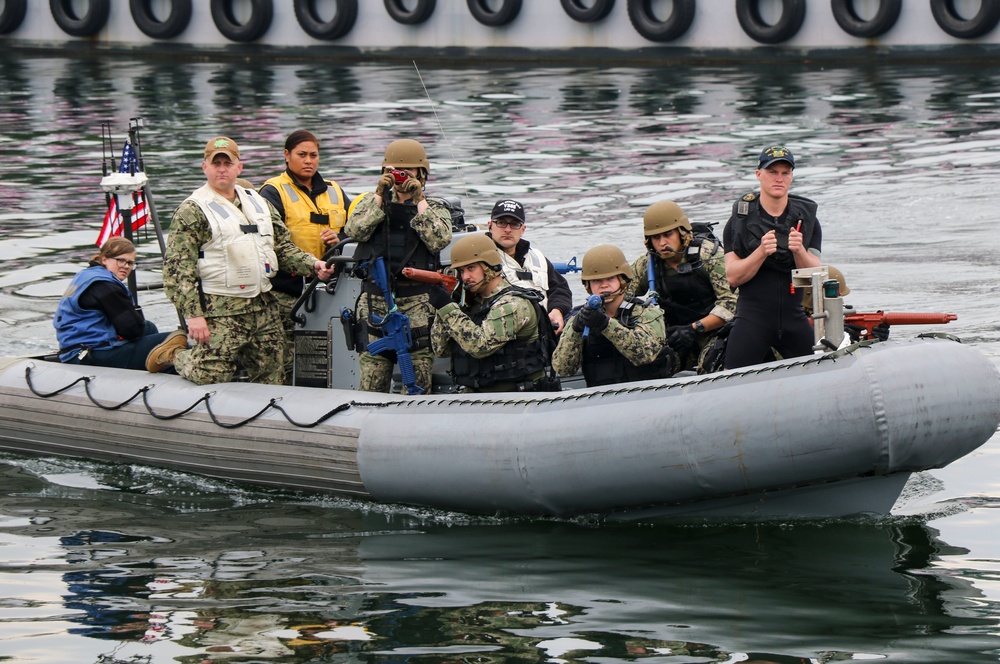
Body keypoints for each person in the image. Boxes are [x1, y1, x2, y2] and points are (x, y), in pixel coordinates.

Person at [160, 136, 334, 385]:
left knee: (274, 375)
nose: (222, 169)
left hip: (263, 305)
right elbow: (178, 271)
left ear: (238, 167)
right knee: (210, 375)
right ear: (205, 167)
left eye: (228, 163)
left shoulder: (259, 203)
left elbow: (282, 247)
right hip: (221, 309)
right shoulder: (193, 210)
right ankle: (174, 354)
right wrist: (194, 316)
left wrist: (313, 264)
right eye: (216, 163)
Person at [345, 138, 452, 394]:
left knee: (417, 383)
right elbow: (355, 230)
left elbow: (439, 238)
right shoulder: (372, 203)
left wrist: (418, 200)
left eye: (407, 172)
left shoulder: (433, 207)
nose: (400, 177)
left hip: (416, 305)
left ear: (421, 174)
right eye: (393, 171)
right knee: (371, 384)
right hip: (375, 304)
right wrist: (379, 195)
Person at [258, 129, 352, 384]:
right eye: (302, 155)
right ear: (287, 156)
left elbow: (358, 230)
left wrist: (340, 238)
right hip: (288, 292)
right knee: (288, 359)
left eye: (314, 155)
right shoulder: (272, 192)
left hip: (332, 289)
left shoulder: (334, 191)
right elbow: (272, 243)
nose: (309, 160)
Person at [722, 145, 822, 370]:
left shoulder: (808, 220)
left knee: (822, 372)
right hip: (752, 319)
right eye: (772, 172)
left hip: (794, 319)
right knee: (729, 378)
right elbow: (732, 277)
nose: (779, 178)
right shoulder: (739, 221)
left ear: (792, 177)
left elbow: (816, 273)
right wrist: (760, 252)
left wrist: (799, 252)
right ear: (759, 174)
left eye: (785, 173)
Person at [430, 234, 558, 393]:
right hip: (479, 396)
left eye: (471, 268)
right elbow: (441, 349)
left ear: (489, 267)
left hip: (517, 397)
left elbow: (480, 346)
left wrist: (447, 309)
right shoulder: (472, 304)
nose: (465, 277)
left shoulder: (512, 304)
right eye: (461, 271)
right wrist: (446, 305)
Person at [629, 200, 736, 373]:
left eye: (668, 235)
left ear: (681, 232)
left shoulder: (708, 255)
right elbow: (622, 294)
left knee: (712, 363)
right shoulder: (647, 265)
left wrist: (695, 328)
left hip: (716, 332)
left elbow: (731, 303)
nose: (663, 243)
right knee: (653, 366)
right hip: (675, 335)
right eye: (656, 238)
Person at [54, 237, 187, 371]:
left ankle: (149, 368)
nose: (126, 266)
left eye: (130, 263)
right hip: (92, 355)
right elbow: (132, 330)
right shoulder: (105, 287)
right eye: (120, 260)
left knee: (149, 328)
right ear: (104, 259)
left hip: (74, 351)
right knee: (174, 340)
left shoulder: (87, 275)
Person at [552, 244, 675, 387]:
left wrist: (606, 324)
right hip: (603, 400)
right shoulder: (580, 318)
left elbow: (644, 354)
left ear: (622, 280)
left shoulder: (646, 313)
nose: (604, 285)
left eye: (610, 279)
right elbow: (563, 368)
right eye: (597, 281)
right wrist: (575, 329)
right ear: (588, 285)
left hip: (648, 395)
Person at [486, 199, 572, 334]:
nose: (508, 229)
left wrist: (557, 310)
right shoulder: (480, 259)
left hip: (544, 338)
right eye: (501, 223)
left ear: (523, 229)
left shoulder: (537, 257)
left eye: (514, 224)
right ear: (490, 226)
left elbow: (560, 288)